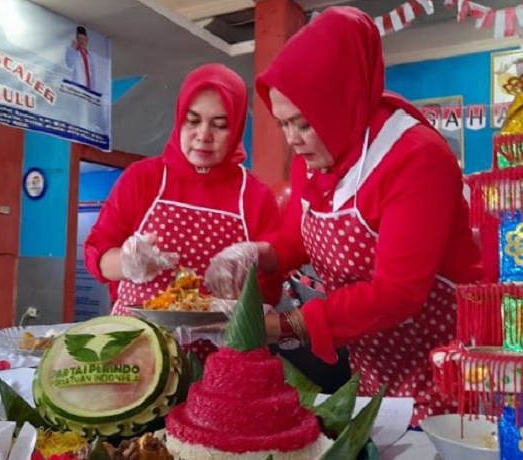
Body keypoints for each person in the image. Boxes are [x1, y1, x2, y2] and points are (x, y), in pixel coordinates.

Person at [204, 7, 482, 426]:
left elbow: (398, 293)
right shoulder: (315, 160)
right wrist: (259, 253)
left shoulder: (415, 157)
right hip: (374, 372)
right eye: (283, 124)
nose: (292, 141)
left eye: (303, 124)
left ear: (341, 101)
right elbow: (300, 237)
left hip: (446, 372)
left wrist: (287, 325)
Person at [84, 63, 281, 361]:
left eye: (220, 124)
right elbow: (96, 256)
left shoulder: (254, 195)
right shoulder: (143, 178)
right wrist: (128, 263)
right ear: (179, 120)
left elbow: (271, 288)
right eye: (193, 121)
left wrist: (252, 267)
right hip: (137, 350)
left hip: (221, 356)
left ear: (238, 127)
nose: (204, 135)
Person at [65, 26, 97, 91]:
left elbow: (93, 74)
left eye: (84, 39)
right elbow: (69, 64)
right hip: (77, 86)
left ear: (87, 41)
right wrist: (72, 50)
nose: (82, 41)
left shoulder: (89, 56)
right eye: (79, 38)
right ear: (77, 39)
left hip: (89, 89)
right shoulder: (71, 50)